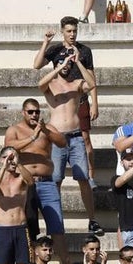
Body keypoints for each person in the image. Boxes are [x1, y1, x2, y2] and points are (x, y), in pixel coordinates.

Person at [39, 45, 102, 236]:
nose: (65, 66)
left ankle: (92, 220)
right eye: (61, 61)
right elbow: (40, 84)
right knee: (55, 180)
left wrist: (79, 63)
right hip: (57, 137)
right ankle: (56, 222)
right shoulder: (51, 85)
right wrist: (58, 67)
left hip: (75, 136)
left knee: (84, 178)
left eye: (67, 62)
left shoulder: (76, 83)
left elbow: (91, 84)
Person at [4, 99, 70, 264]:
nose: (34, 115)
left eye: (37, 112)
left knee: (57, 227)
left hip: (47, 182)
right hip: (25, 184)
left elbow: (62, 142)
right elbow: (9, 147)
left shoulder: (47, 128)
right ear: (23, 112)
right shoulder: (15, 129)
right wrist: (32, 137)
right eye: (30, 112)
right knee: (29, 229)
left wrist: (45, 130)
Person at [35, 17, 100, 187]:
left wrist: (95, 103)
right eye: (69, 31)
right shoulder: (55, 49)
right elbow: (36, 65)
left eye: (75, 31)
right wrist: (45, 42)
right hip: (61, 98)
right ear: (62, 31)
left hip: (81, 96)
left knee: (86, 139)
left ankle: (90, 175)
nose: (72, 34)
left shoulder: (84, 50)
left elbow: (92, 79)